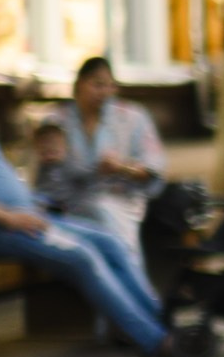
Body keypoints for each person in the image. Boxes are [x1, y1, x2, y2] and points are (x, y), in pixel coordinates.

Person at [0, 49, 172, 357]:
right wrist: (9, 217)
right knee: (83, 256)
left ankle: (165, 322)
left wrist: (31, 203)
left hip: (22, 216)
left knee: (110, 242)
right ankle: (156, 341)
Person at [54, 56, 167, 268]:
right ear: (79, 84)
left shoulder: (132, 117)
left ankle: (128, 278)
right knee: (97, 214)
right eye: (97, 84)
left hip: (120, 200)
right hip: (71, 204)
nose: (104, 92)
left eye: (109, 86)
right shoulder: (56, 121)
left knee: (104, 210)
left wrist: (121, 168)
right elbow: (48, 174)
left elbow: (153, 168)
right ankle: (132, 284)